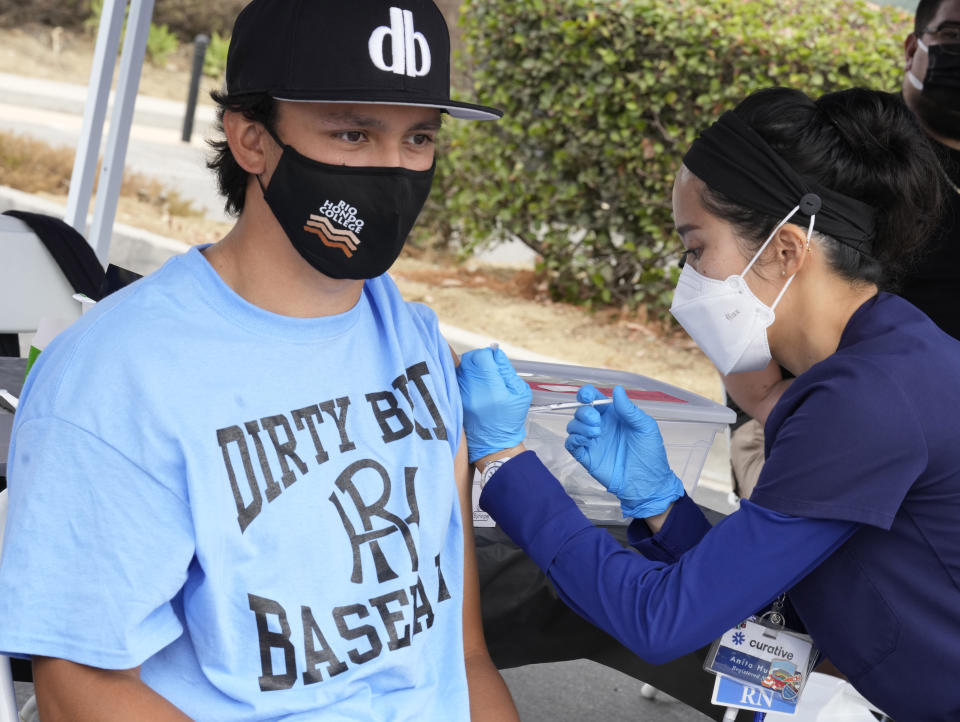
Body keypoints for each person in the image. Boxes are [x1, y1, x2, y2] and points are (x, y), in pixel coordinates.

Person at [0, 1, 520, 720]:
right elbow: (79, 688)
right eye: (352, 132)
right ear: (250, 139)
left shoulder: (415, 341)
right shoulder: (118, 375)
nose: (394, 170)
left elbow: (458, 655)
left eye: (419, 137)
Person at [456, 87, 960, 720]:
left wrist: (505, 462)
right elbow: (756, 586)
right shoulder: (886, 351)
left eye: (696, 249)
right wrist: (662, 505)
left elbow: (663, 620)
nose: (686, 277)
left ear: (785, 250)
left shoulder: (866, 400)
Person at [724, 0, 960, 499]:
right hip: (814, 431)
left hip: (938, 456)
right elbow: (734, 272)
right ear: (913, 46)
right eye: (953, 36)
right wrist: (769, 406)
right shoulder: (849, 146)